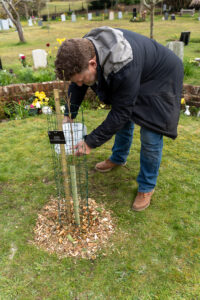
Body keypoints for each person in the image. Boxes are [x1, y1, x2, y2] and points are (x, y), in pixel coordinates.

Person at [55, 26, 184, 212]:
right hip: (138, 70)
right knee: (123, 119)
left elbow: (122, 112)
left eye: (82, 79)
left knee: (151, 135)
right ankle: (118, 158)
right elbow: (78, 86)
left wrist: (90, 142)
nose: (81, 84)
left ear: (92, 63)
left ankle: (147, 186)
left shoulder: (122, 62)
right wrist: (68, 114)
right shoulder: (82, 51)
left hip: (162, 76)